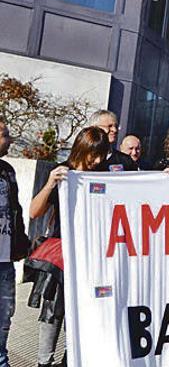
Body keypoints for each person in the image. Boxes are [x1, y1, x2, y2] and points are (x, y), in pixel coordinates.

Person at [27, 127, 111, 367]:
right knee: (53, 314)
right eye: (92, 155)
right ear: (81, 149)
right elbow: (34, 211)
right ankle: (43, 362)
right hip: (62, 256)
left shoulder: (105, 173)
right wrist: (51, 183)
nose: (96, 161)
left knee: (84, 316)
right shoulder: (63, 171)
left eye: (101, 155)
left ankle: (70, 361)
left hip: (92, 257)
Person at [0, 119, 28, 367]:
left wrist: (21, 243)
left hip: (5, 260)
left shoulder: (8, 171)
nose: (9, 140)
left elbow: (16, 210)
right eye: (5, 135)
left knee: (4, 315)